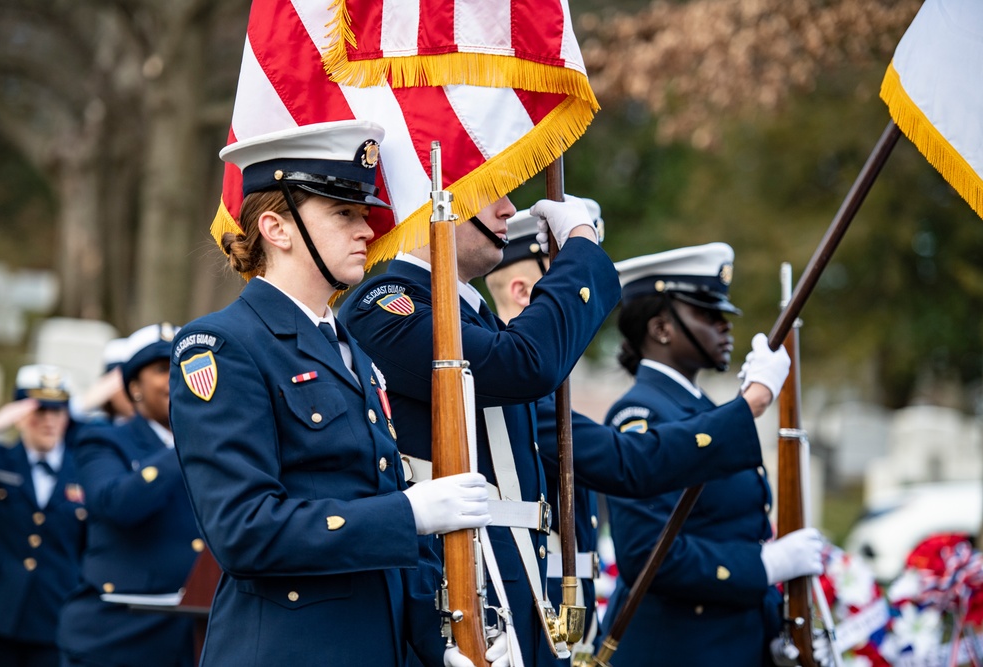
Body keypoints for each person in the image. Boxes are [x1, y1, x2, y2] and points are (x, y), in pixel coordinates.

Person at [340, 193, 789, 665]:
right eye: (487, 194)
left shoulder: (471, 321)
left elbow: (626, 463)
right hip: (452, 599)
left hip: (506, 601)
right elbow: (524, 365)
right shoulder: (387, 303)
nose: (508, 210)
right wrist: (580, 245)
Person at [168, 120, 507, 667]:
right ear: (276, 228)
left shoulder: (351, 350)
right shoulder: (223, 345)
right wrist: (406, 514)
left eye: (363, 213)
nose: (367, 231)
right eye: (342, 214)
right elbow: (243, 529)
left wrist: (438, 645)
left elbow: (385, 514)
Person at [599, 243, 825, 667]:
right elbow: (646, 556)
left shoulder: (702, 411)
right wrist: (763, 565)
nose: (726, 327)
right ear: (661, 328)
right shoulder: (641, 414)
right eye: (709, 315)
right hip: (677, 651)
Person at [482, 200, 604, 653]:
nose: (581, 292)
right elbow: (626, 462)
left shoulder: (546, 383)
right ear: (522, 290)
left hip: (563, 621)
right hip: (528, 609)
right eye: (566, 276)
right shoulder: (521, 384)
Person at [58, 323, 202, 667]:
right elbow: (117, 505)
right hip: (119, 633)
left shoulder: (215, 446)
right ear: (134, 387)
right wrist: (187, 440)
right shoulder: (103, 440)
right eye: (162, 369)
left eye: (185, 367)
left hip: (197, 633)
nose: (176, 377)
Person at [0, 365, 86, 667]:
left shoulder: (81, 470)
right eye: (40, 410)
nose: (49, 421)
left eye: (58, 412)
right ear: (20, 413)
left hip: (53, 615)